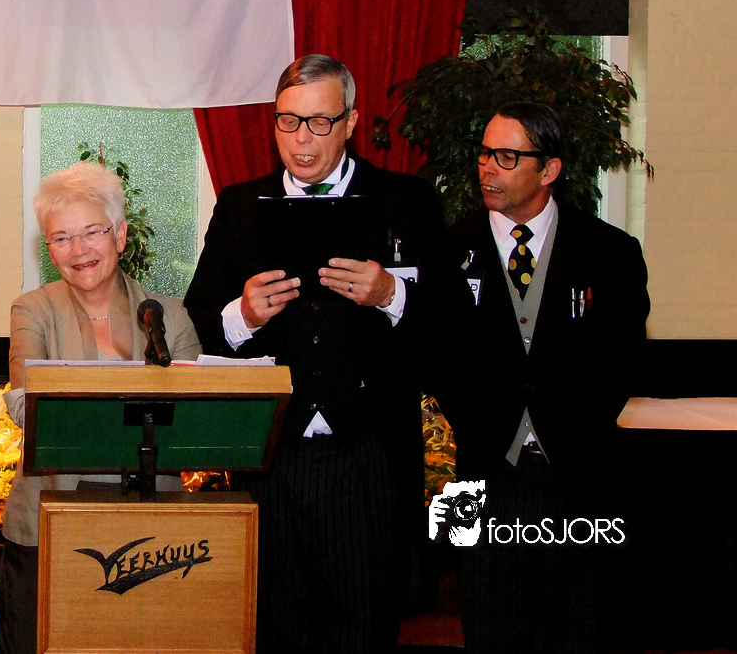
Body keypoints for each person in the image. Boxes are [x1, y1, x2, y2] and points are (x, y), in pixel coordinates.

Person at [183, 54, 471, 653]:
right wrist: (243, 315)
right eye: (288, 121)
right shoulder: (240, 207)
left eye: (319, 122)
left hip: (369, 458)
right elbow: (195, 328)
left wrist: (392, 295)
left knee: (364, 631)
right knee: (273, 630)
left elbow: (455, 328)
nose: (302, 140)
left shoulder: (406, 201)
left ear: (351, 123)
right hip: (270, 456)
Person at [434, 101, 649, 653]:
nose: (488, 167)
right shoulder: (446, 251)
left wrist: (564, 426)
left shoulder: (611, 253)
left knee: (577, 630)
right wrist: (489, 426)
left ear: (549, 168)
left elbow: (622, 362)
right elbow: (438, 359)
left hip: (578, 479)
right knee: (486, 629)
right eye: (484, 153)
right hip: (483, 476)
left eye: (507, 157)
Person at [0, 160, 201, 654]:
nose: (79, 249)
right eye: (61, 238)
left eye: (92, 232)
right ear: (49, 250)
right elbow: (27, 406)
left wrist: (86, 409)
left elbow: (196, 418)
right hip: (49, 518)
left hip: (155, 529)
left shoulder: (168, 314)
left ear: (120, 235)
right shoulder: (32, 310)